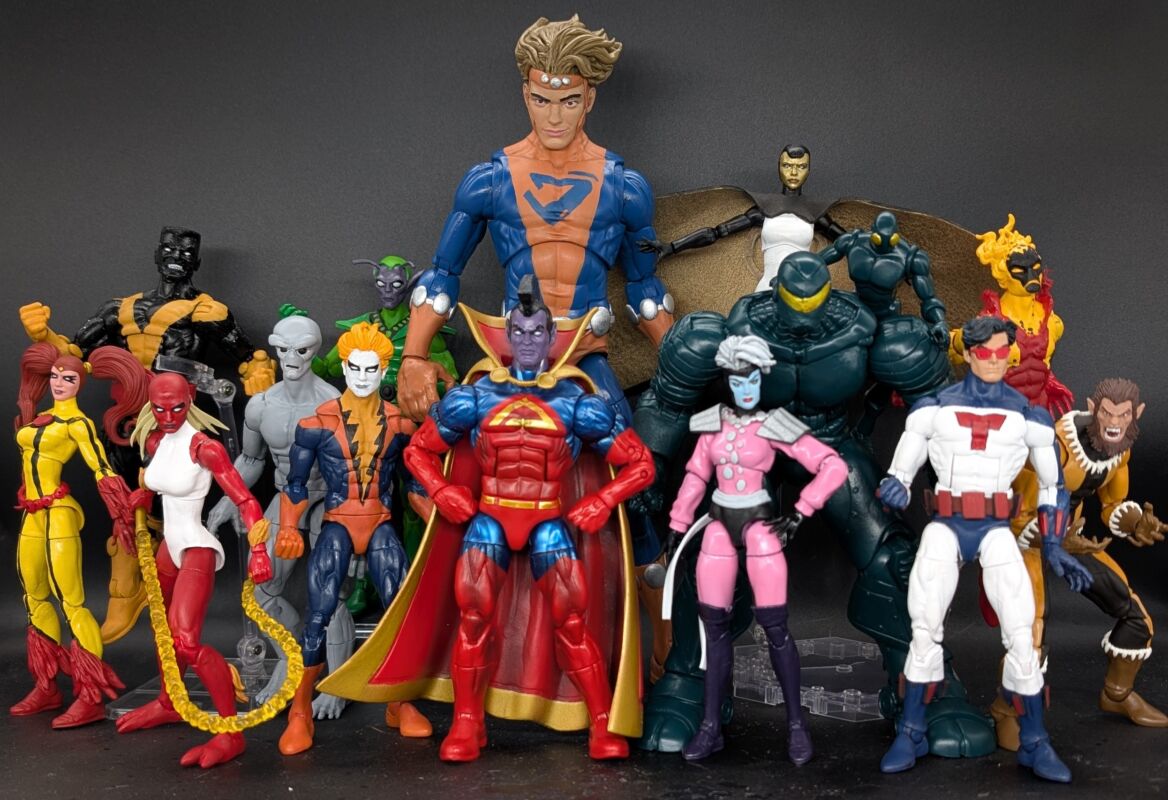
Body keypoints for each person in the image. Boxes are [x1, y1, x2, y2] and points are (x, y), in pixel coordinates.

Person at [876, 315, 1092, 782]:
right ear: (969, 354)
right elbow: (900, 472)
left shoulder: (1030, 417)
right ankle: (911, 731)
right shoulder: (934, 409)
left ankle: (1034, 741)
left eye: (1001, 352)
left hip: (995, 529)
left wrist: (1054, 544)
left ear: (1010, 354)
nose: (993, 361)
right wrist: (895, 486)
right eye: (984, 352)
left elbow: (1054, 487)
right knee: (924, 628)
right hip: (946, 525)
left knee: (1021, 632)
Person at [667, 335, 848, 763]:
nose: (746, 389)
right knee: (714, 629)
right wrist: (678, 521)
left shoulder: (774, 424)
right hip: (717, 523)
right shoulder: (711, 423)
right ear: (726, 382)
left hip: (760, 523)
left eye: (752, 380)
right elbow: (696, 475)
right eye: (737, 381)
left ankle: (797, 725)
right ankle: (710, 726)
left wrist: (802, 510)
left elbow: (833, 465)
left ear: (762, 379)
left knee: (775, 627)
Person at [11, 343, 145, 728]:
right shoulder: (41, 417)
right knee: (34, 596)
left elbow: (100, 467)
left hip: (58, 514)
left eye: (68, 379)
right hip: (32, 514)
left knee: (71, 601)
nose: (58, 383)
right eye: (55, 376)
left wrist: (121, 512)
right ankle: (47, 685)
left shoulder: (77, 424)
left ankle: (89, 696)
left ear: (79, 384)